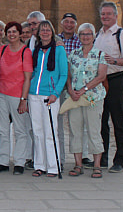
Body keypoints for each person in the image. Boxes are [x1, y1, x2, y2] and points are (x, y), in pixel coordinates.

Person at [94, 1, 123, 173]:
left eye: (109, 14)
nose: (105, 17)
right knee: (101, 121)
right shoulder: (99, 35)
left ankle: (120, 159)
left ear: (115, 16)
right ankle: (102, 157)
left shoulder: (121, 34)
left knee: (118, 120)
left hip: (116, 79)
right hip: (101, 81)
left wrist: (114, 60)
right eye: (103, 14)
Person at [66, 23, 107, 178]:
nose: (85, 37)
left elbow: (101, 76)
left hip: (93, 98)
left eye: (88, 34)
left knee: (93, 129)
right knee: (75, 130)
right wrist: (71, 90)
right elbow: (69, 75)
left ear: (93, 36)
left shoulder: (100, 54)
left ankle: (97, 165)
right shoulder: (73, 54)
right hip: (75, 97)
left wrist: (84, 90)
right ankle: (78, 164)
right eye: (82, 34)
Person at [0, 22, 33, 175]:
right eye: (9, 32)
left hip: (17, 95)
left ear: (20, 33)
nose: (12, 34)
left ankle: (19, 162)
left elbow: (27, 78)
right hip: (0, 93)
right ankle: (3, 161)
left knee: (20, 130)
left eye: (15, 32)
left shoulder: (25, 52)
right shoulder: (2, 49)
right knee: (3, 129)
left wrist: (24, 99)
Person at [29, 20, 68, 178]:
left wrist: (56, 93)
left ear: (52, 32)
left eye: (47, 30)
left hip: (50, 95)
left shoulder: (58, 50)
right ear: (38, 33)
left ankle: (53, 165)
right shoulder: (36, 50)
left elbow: (63, 74)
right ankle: (40, 165)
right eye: (42, 30)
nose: (44, 33)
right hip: (34, 94)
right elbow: (33, 71)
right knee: (37, 131)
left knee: (50, 132)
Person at [57, 12, 82, 166]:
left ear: (75, 25)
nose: (69, 24)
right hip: (60, 85)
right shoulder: (55, 40)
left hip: (75, 85)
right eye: (66, 21)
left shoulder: (81, 40)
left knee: (77, 123)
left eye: (72, 22)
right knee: (58, 123)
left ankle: (81, 156)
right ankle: (59, 157)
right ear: (62, 23)